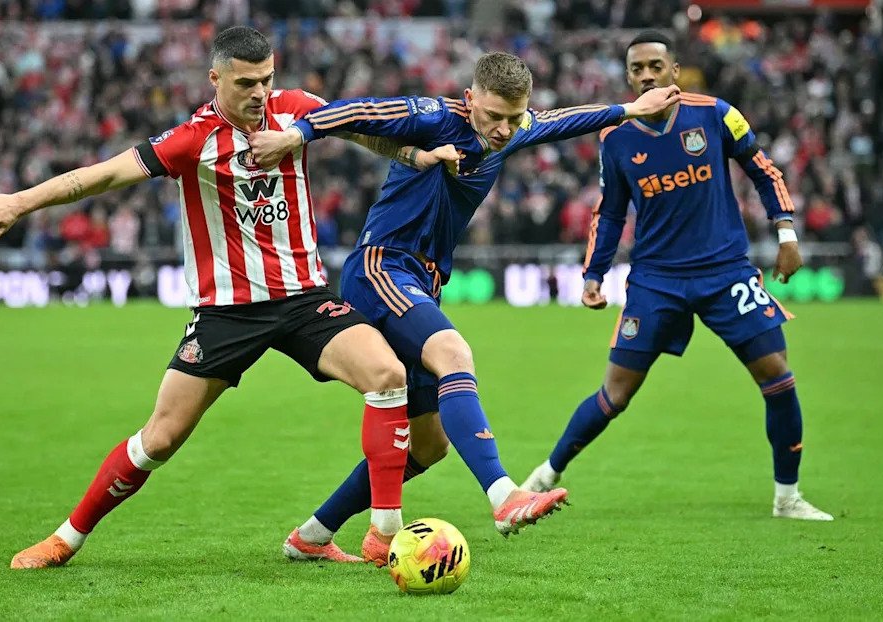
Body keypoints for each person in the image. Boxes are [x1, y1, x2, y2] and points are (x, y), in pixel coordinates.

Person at [0, 26, 459, 569]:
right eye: (247, 82)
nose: (259, 92)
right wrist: (20, 201)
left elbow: (358, 131)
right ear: (216, 78)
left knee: (388, 376)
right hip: (225, 312)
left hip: (304, 300)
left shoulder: (295, 111)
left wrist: (414, 155)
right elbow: (101, 176)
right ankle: (66, 538)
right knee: (159, 440)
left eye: (267, 80)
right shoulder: (192, 140)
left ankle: (383, 534)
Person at [248, 51, 681, 564]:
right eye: (492, 116)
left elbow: (565, 120)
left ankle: (313, 536)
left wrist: (631, 109)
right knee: (454, 352)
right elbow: (355, 111)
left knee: (428, 446)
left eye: (513, 119)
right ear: (471, 99)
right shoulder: (433, 118)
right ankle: (504, 496)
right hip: (382, 267)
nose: (502, 130)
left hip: (422, 282)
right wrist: (295, 135)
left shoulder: (514, 129)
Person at [520, 31, 833, 521]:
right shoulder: (616, 135)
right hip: (656, 280)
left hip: (725, 271)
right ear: (628, 77)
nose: (646, 75)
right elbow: (611, 211)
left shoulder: (714, 113)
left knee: (777, 375)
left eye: (654, 66)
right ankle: (544, 476)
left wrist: (787, 233)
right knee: (615, 393)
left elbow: (762, 169)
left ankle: (787, 497)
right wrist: (593, 273)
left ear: (673, 69)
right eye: (636, 68)